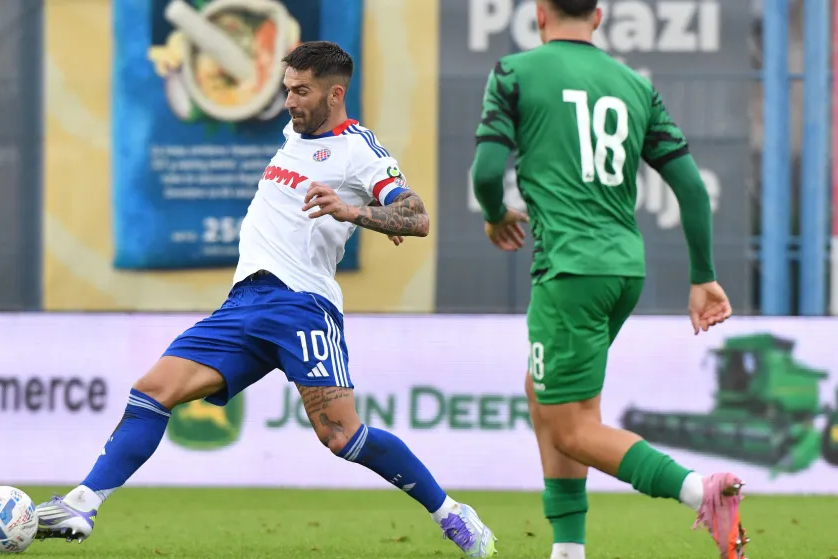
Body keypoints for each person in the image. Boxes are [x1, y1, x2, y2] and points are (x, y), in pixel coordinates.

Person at [35, 41, 497, 558]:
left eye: (302, 91)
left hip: (301, 305)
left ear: (335, 94)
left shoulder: (359, 150)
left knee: (341, 437)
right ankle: (81, 504)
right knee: (152, 390)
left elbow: (417, 216)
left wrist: (356, 212)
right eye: (287, 90)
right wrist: (369, 212)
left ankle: (451, 513)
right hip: (244, 303)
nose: (290, 101)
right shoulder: (294, 134)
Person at [469, 2, 746, 559]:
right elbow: (692, 189)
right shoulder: (635, 86)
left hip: (570, 270)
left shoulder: (515, 73)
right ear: (597, 16)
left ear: (539, 13)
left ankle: (701, 492)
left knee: (571, 428)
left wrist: (496, 214)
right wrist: (703, 277)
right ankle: (568, 550)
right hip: (623, 269)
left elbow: (486, 173)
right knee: (546, 397)